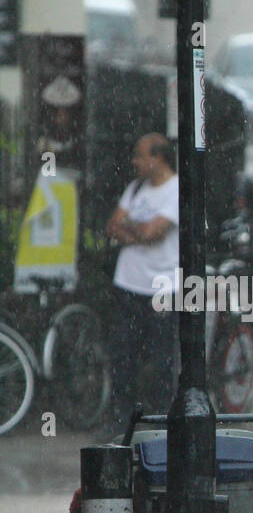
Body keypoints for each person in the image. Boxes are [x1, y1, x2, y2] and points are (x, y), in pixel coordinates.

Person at [104, 133, 179, 433]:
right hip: (128, 283)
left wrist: (130, 228)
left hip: (162, 287)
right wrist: (136, 230)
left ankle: (160, 421)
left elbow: (153, 233)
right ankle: (121, 419)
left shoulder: (176, 191)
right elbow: (112, 226)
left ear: (157, 158)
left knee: (162, 359)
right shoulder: (135, 188)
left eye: (139, 156)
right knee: (122, 355)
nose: (135, 162)